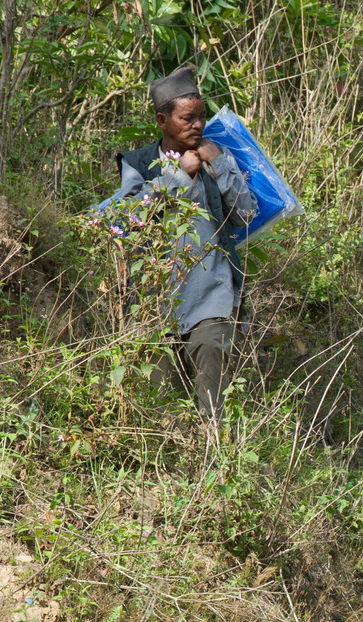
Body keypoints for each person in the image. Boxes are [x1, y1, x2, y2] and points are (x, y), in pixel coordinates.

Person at [104, 65, 256, 418]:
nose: (198, 125)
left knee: (212, 405)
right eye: (188, 119)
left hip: (213, 298)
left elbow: (245, 216)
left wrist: (220, 165)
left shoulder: (216, 155)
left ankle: (216, 459)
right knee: (164, 407)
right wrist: (178, 175)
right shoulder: (139, 163)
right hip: (157, 303)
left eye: (202, 117)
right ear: (162, 120)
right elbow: (129, 217)